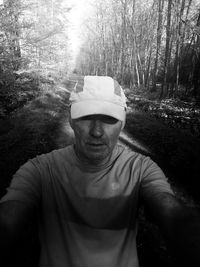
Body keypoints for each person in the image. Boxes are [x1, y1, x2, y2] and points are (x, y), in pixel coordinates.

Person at [0, 75, 200, 267]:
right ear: (71, 120)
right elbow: (9, 216)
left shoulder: (140, 169)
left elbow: (173, 215)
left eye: (108, 119)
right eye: (86, 117)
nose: (96, 131)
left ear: (122, 124)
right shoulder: (40, 170)